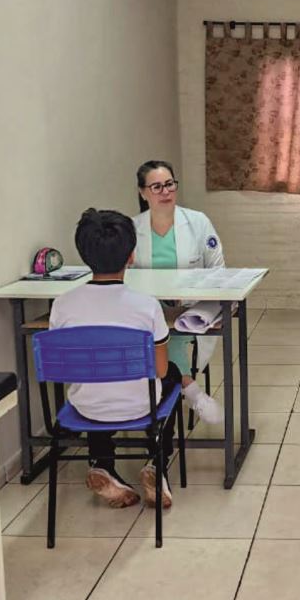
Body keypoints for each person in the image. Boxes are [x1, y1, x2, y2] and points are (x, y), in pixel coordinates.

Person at [49, 209, 182, 509]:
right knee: (172, 373)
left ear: (84, 254)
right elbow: (159, 369)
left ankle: (101, 464)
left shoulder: (62, 305)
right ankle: (155, 464)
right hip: (140, 406)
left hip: (86, 406)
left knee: (99, 378)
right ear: (131, 255)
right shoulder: (146, 307)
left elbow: (65, 364)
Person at [132, 160, 223, 424]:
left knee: (167, 335)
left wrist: (189, 292)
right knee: (155, 328)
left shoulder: (198, 222)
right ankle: (191, 390)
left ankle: (178, 392)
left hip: (190, 309)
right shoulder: (132, 228)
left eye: (170, 184)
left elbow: (218, 271)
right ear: (143, 192)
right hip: (150, 311)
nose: (165, 192)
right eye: (157, 186)